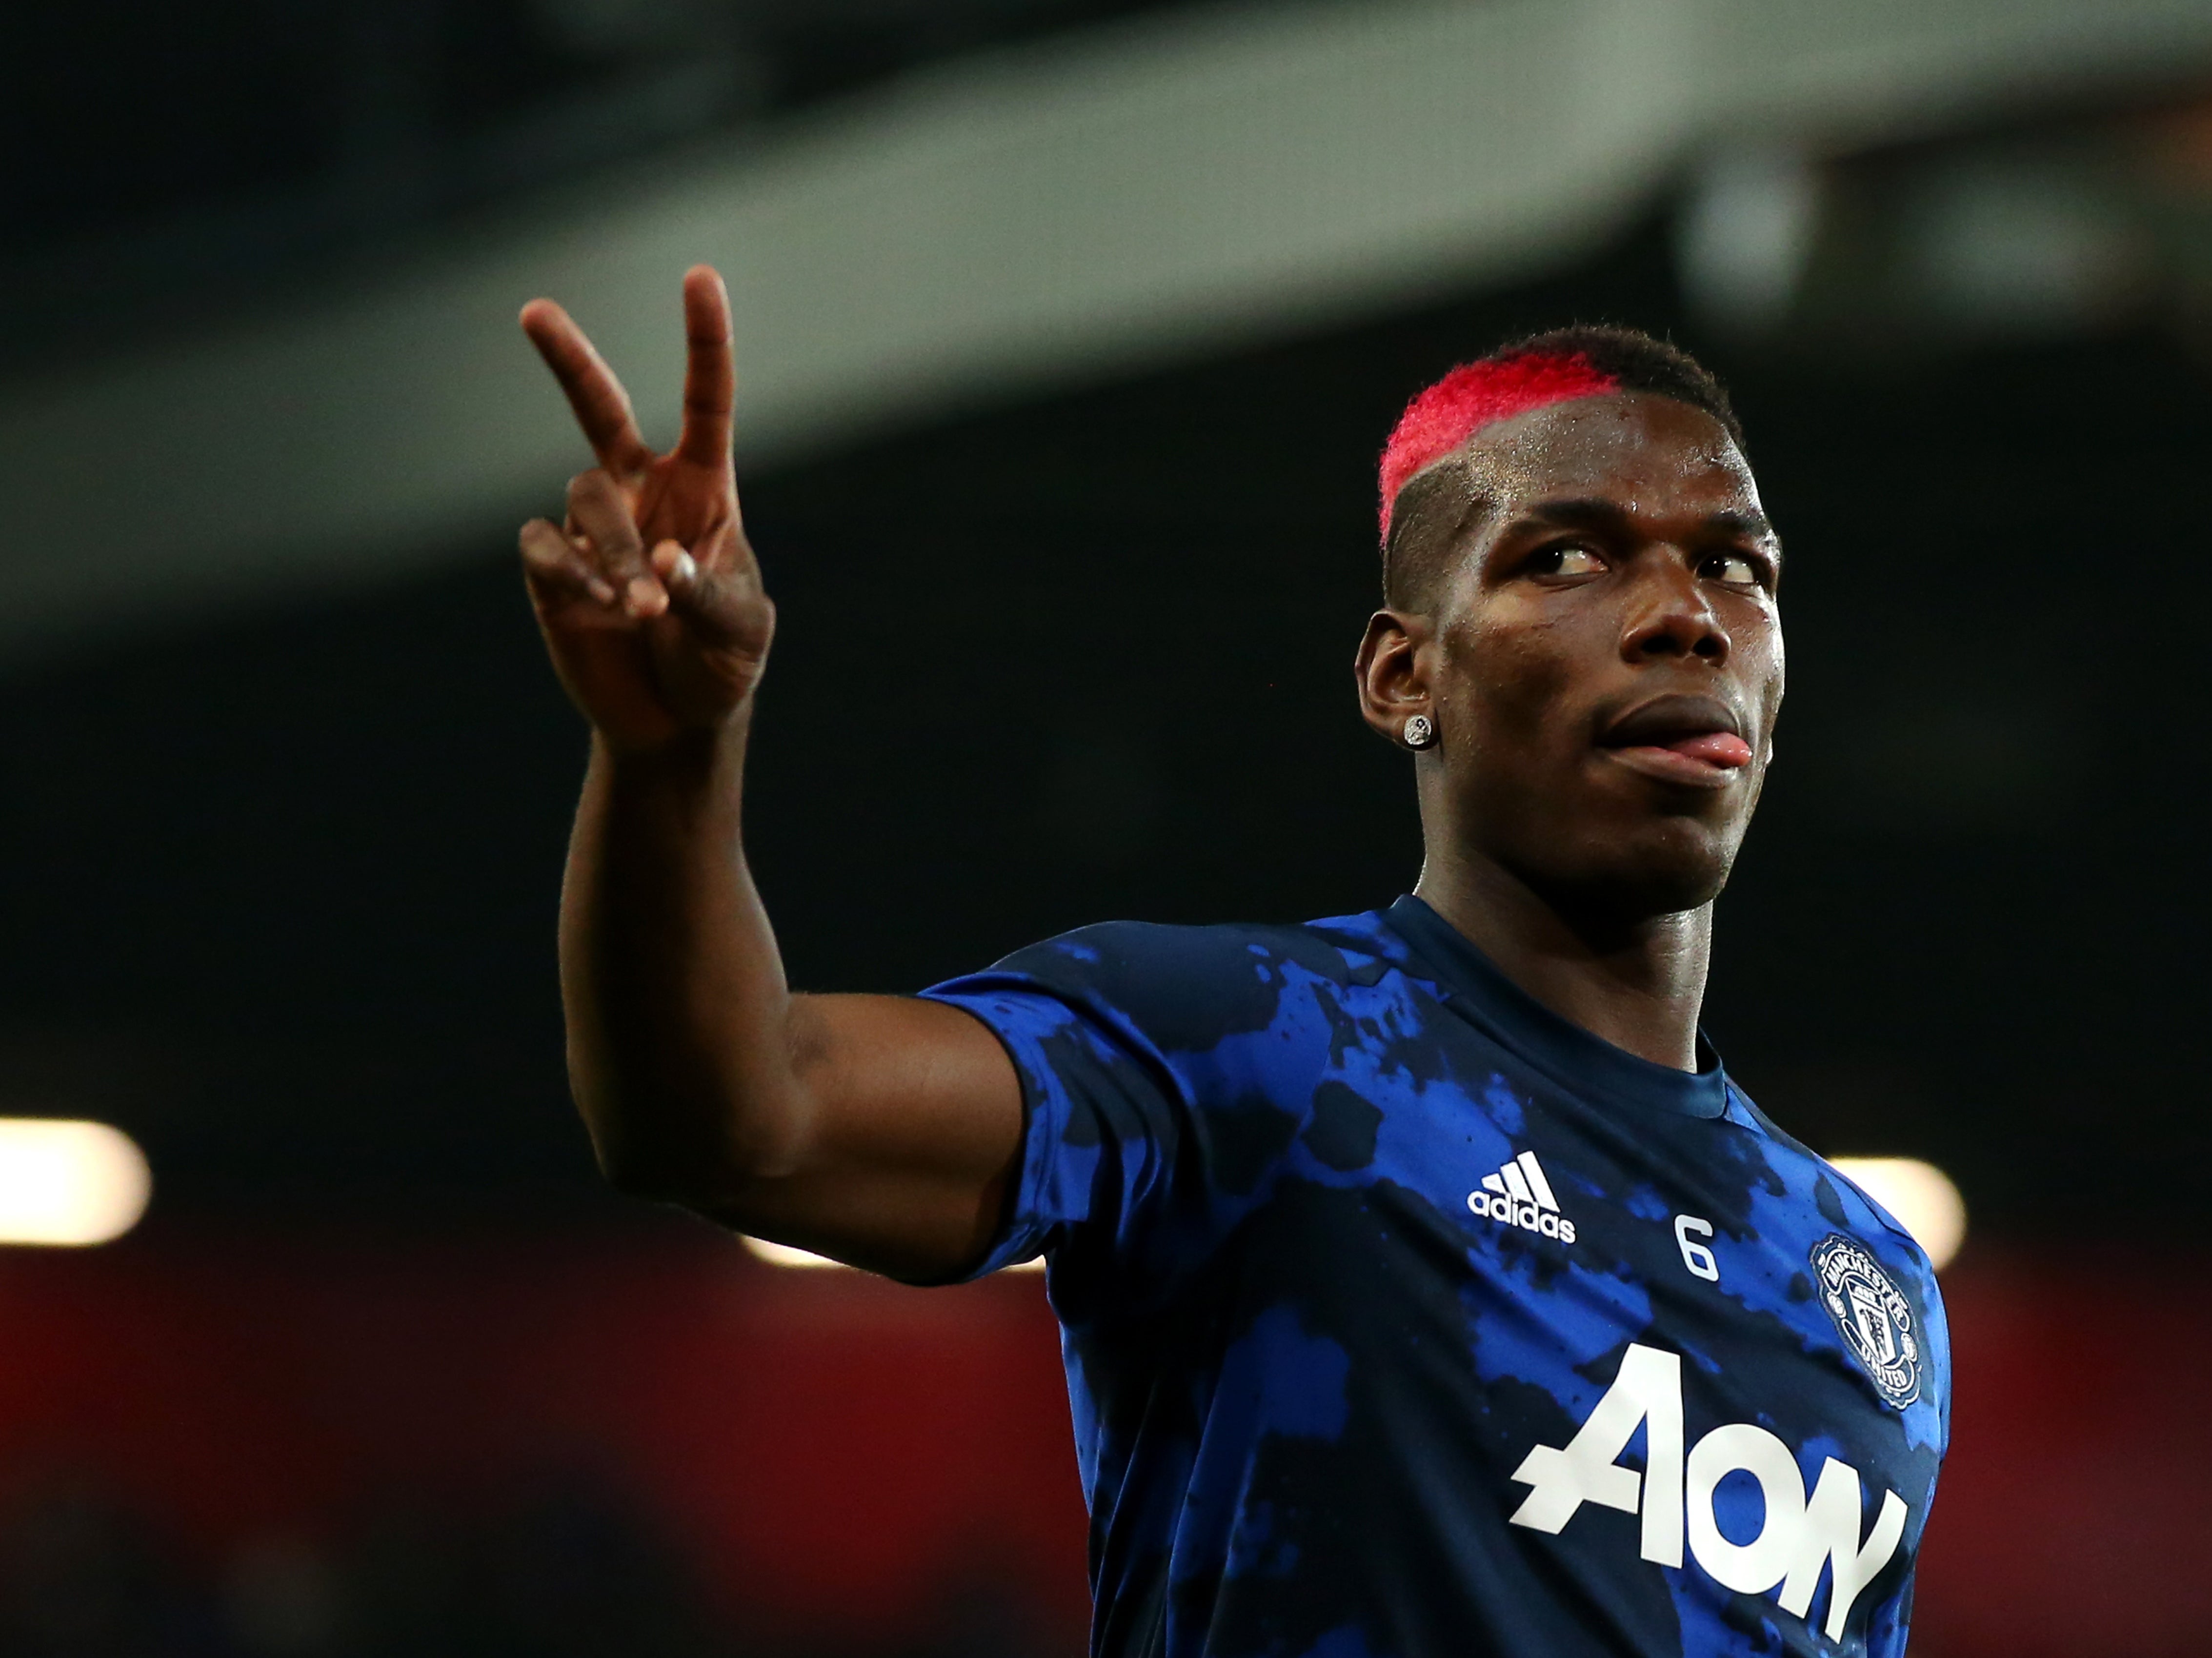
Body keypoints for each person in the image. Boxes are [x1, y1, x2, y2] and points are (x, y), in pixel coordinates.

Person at [516, 265, 1948, 1658]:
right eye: (1565, 557)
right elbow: (734, 1116)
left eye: (1733, 564)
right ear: (1405, 676)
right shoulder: (1259, 1046)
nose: (1683, 614)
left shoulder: (1864, 1279)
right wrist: (669, 756)